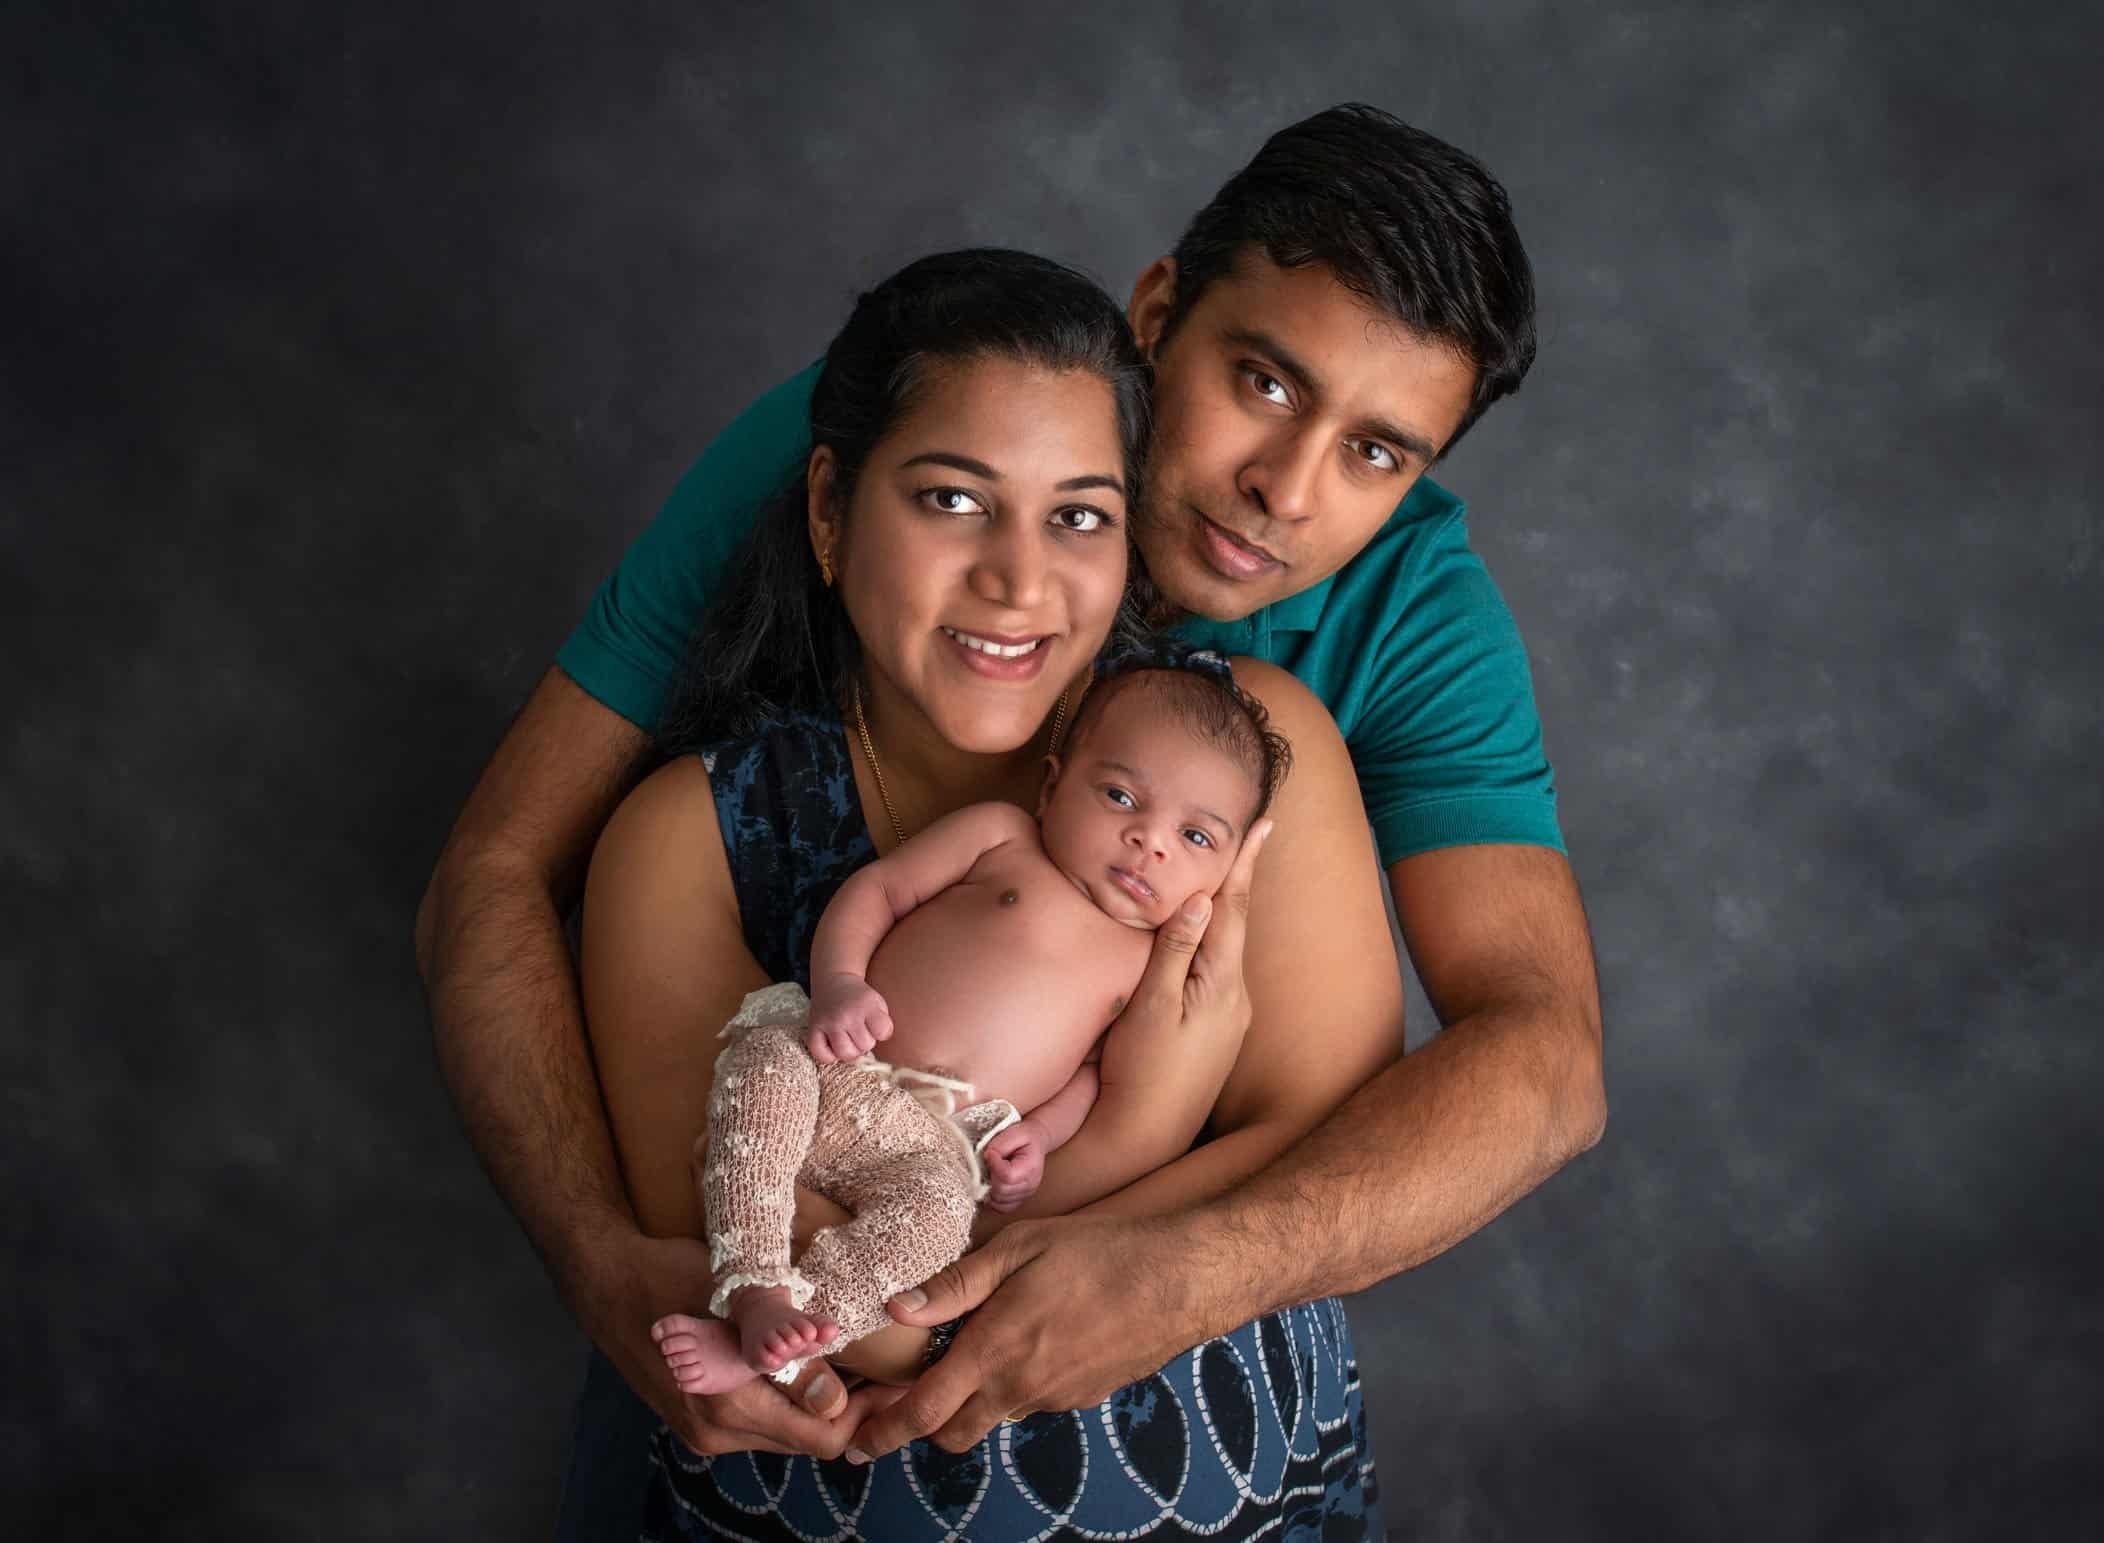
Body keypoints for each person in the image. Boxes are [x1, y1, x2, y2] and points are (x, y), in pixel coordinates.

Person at [417, 103, 1603, 1532]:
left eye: (1377, 452)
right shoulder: (897, 430)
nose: (1282, 491)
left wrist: (1178, 1262)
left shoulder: (1362, 655)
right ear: (1158, 314)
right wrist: (601, 1256)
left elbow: (1532, 1066)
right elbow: (495, 871)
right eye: (1264, 382)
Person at [580, 248, 1392, 1536]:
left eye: (1079, 515)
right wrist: (1145, 1130)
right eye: (953, 499)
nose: (1018, 579)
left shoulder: (1237, 762)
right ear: (832, 508)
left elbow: (1337, 1175)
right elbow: (844, 1310)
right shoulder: (690, 835)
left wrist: (1060, 1177)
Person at [653, 654, 1290, 1396]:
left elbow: (1097, 1073)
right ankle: (753, 1285)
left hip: (930, 1146)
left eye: (1197, 838)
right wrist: (839, 984)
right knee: (765, 1067)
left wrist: (1039, 1137)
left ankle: (790, 1332)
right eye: (1120, 796)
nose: (1150, 841)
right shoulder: (1001, 838)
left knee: (939, 1223)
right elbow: (880, 891)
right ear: (1053, 786)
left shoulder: (1148, 965)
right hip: (840, 1059)